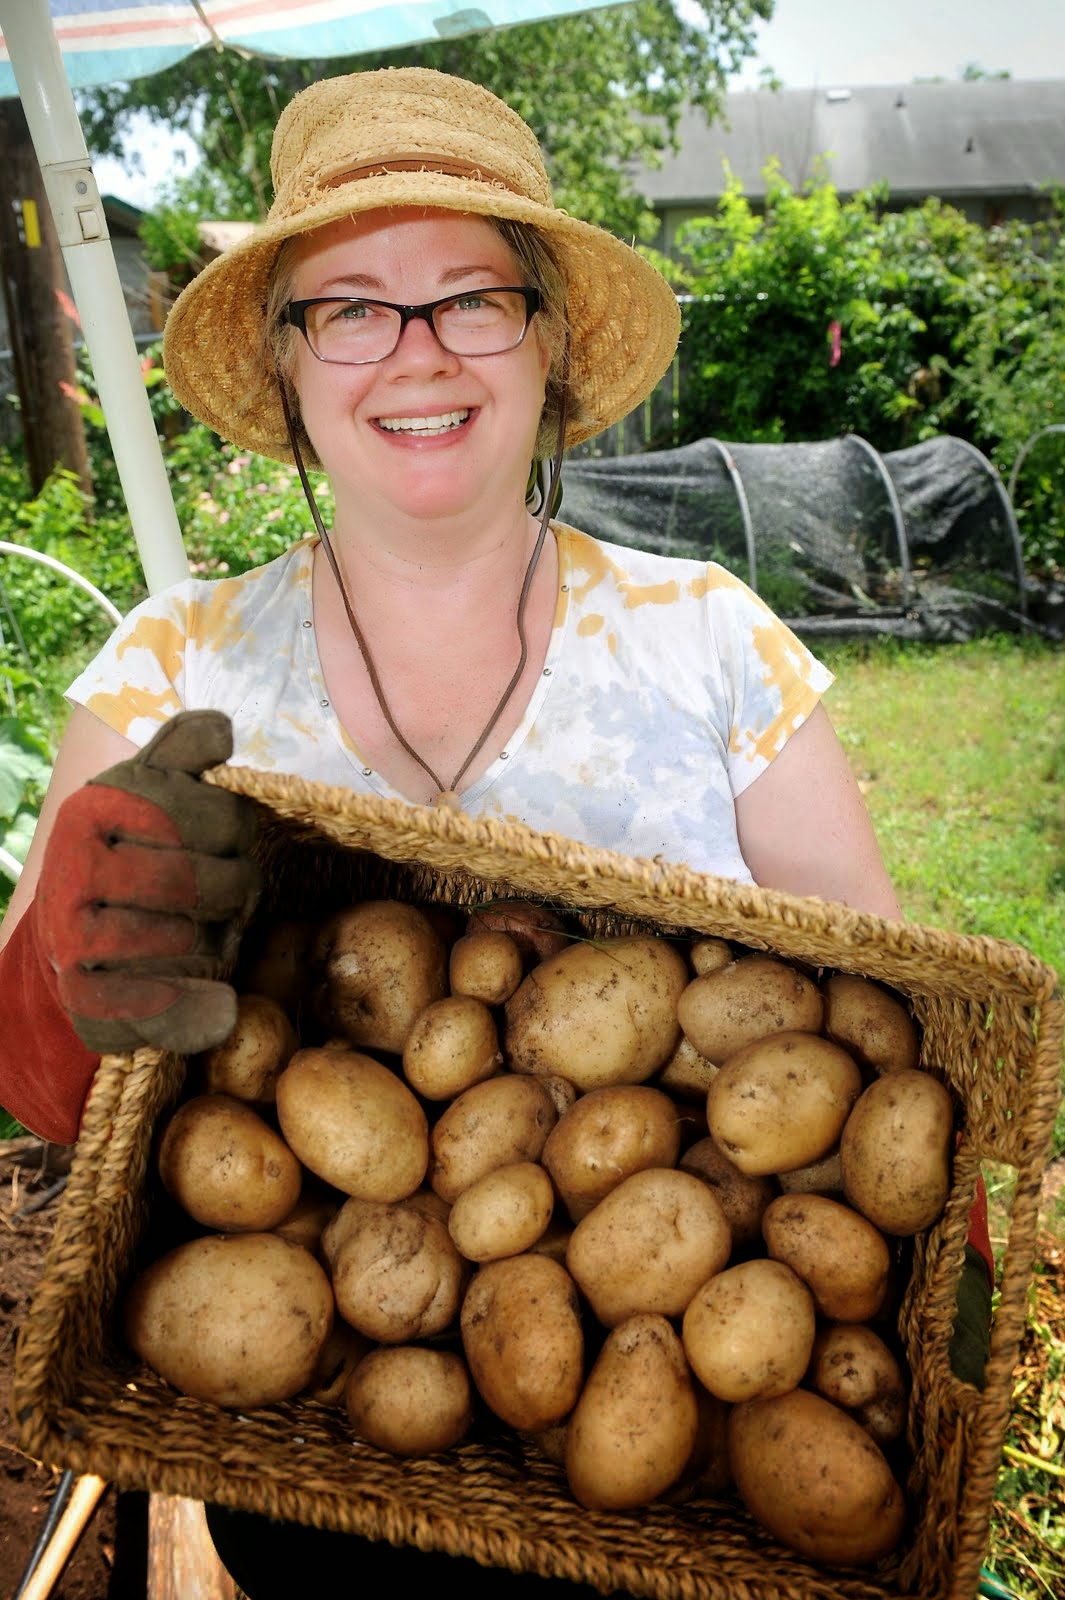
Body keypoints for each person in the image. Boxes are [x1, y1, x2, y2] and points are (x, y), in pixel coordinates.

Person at [0, 66, 991, 1597]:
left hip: (690, 1537)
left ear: (544, 344)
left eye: (471, 296)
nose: (416, 352)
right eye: (349, 305)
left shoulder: (709, 639)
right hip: (317, 1514)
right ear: (284, 363)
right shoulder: (171, 666)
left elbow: (895, 1025)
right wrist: (63, 963)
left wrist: (955, 1263)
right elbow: (52, 1100)